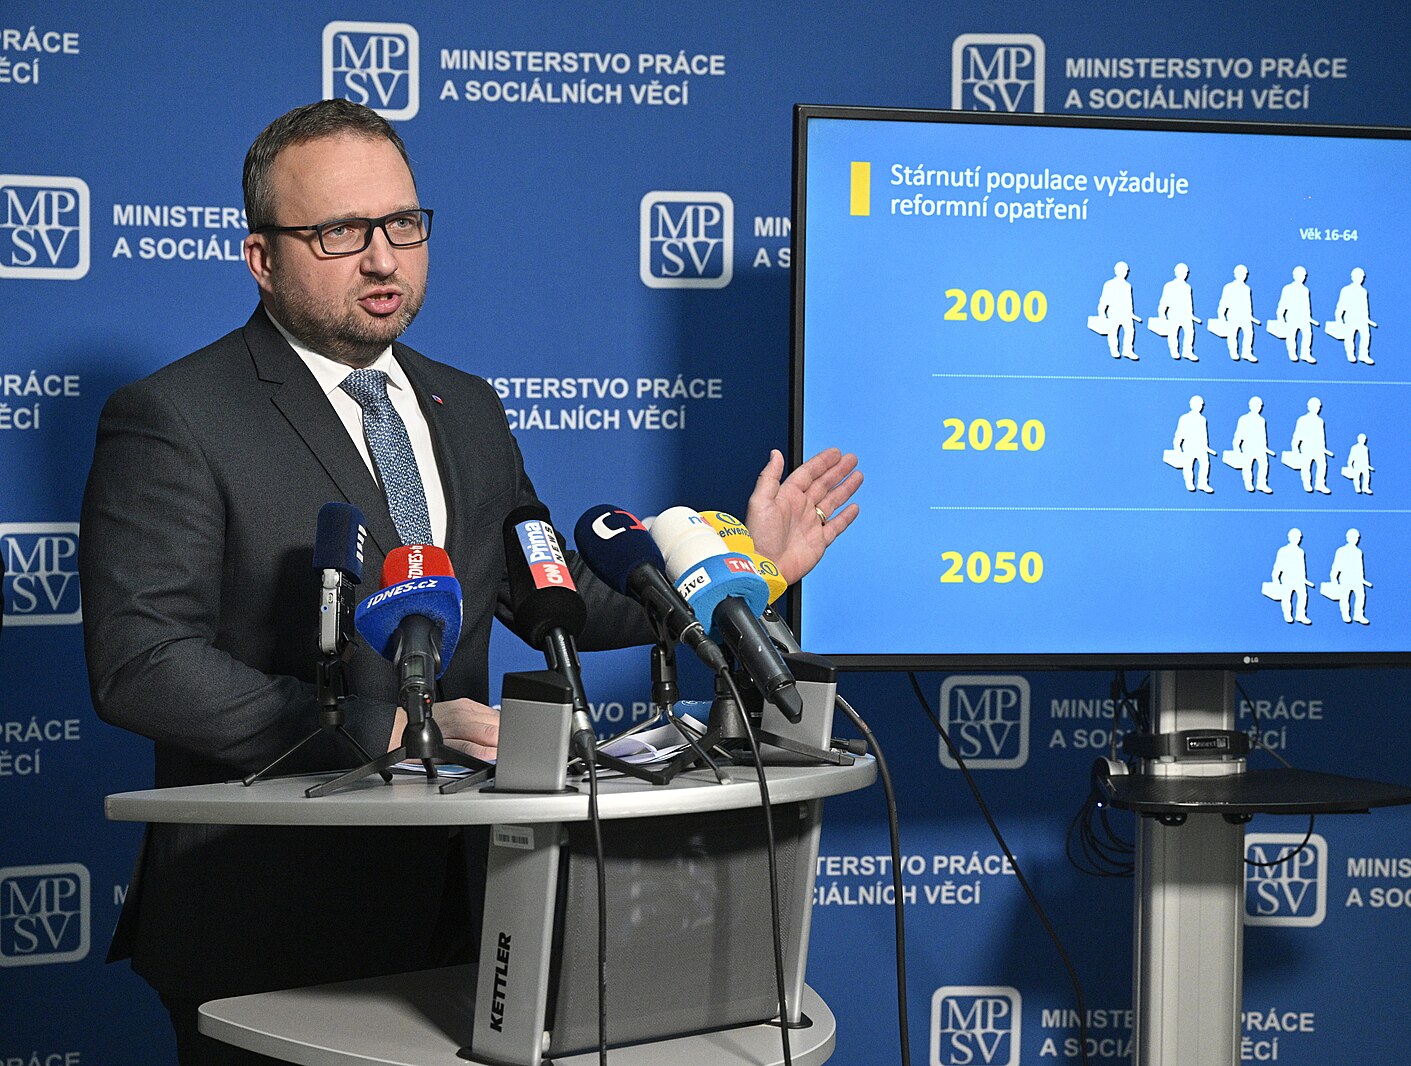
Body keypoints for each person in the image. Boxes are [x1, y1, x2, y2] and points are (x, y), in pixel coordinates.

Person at [79, 100, 862, 1065]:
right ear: (262, 257)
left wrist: (751, 572)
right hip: (272, 928)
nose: (382, 258)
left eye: (403, 224)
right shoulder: (176, 416)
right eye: (340, 231)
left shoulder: (469, 407)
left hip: (472, 914)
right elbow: (143, 664)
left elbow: (555, 594)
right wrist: (395, 733)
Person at [1287, 397, 1332, 494]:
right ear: (1309, 407)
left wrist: (1323, 448)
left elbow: (1321, 436)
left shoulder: (1320, 421)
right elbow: (1297, 435)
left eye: (1318, 406)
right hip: (1307, 447)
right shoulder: (1302, 420)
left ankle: (1320, 484)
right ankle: (1307, 483)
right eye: (1314, 406)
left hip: (1318, 449)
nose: (1317, 408)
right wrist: (1295, 448)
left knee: (1322, 465)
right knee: (1306, 466)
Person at [1096, 260, 1139, 360]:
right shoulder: (1109, 284)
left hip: (1126, 314)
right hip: (1114, 313)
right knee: (1113, 331)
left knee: (1130, 331)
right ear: (1116, 271)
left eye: (1125, 271)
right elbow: (1104, 299)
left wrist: (1131, 313)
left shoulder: (1127, 286)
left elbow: (1129, 301)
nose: (1124, 273)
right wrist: (1101, 312)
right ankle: (1114, 350)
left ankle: (1128, 350)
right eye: (1122, 270)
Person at [1327, 528, 1371, 624]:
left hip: (1357, 580)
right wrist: (1333, 577)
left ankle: (1358, 615)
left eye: (1356, 537)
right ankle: (1345, 614)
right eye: (1352, 537)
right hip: (1345, 578)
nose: (1355, 539)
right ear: (1347, 538)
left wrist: (1362, 579)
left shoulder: (1358, 552)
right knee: (1344, 597)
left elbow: (1360, 567)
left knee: (1361, 596)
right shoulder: (1341, 551)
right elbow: (1336, 565)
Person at [1170, 394, 1214, 493]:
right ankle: (1189, 483)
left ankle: (1203, 483)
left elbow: (1204, 434)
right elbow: (1179, 433)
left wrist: (1206, 446)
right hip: (1189, 446)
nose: (1199, 407)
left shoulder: (1202, 419)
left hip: (1201, 448)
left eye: (1201, 405)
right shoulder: (1184, 418)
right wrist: (1177, 446)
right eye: (1197, 404)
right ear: (1191, 405)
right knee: (1188, 465)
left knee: (1205, 464)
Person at [1269, 528, 1312, 624]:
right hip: (1287, 578)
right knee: (1286, 597)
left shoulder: (1300, 551)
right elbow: (1278, 565)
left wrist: (1304, 579)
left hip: (1299, 580)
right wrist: (1275, 578)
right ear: (1289, 538)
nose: (1297, 539)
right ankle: (1287, 614)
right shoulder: (1283, 550)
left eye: (1298, 537)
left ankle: (1300, 615)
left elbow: (1302, 566)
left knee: (1303, 596)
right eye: (1294, 537)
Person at [1274, 266, 1317, 364]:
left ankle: (1305, 354)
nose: (1302, 277)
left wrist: (1309, 317)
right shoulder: (1288, 288)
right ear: (1294, 276)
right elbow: (1283, 303)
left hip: (1304, 318)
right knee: (1291, 335)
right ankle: (1292, 353)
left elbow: (1307, 305)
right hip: (1292, 317)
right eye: (1300, 275)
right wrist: (1280, 316)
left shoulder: (1305, 290)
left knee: (1308, 335)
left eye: (1303, 275)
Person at [1333, 267, 1375, 364]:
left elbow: (1365, 306)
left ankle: (1363, 355)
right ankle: (1350, 354)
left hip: (1362, 319)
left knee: (1366, 336)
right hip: (1350, 318)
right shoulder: (1346, 290)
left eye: (1362, 277)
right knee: (1349, 337)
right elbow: (1341, 304)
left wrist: (1367, 319)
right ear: (1353, 277)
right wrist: (1338, 317)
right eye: (1358, 276)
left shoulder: (1363, 291)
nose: (1360, 279)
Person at [1216, 264, 1258, 362]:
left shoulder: (1246, 288)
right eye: (1241, 273)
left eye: (1244, 274)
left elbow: (1248, 304)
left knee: (1249, 333)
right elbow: (1223, 302)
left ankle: (1247, 353)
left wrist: (1250, 316)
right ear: (1235, 274)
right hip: (1233, 316)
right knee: (1232, 334)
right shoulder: (1229, 287)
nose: (1243, 276)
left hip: (1245, 317)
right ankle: (1234, 352)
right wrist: (1221, 315)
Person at [1232, 396, 1273, 494]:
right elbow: (1238, 434)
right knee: (1247, 466)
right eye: (1255, 405)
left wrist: (1265, 448)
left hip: (1260, 448)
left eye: (1259, 406)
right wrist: (1236, 447)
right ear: (1250, 406)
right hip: (1248, 447)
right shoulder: (1244, 419)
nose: (1258, 407)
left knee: (1264, 465)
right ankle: (1248, 483)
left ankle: (1261, 484)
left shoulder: (1261, 420)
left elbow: (1263, 435)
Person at [1157, 262, 1198, 361]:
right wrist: (1162, 313)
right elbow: (1164, 301)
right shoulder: (1169, 285)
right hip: (1174, 314)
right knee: (1173, 333)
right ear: (1176, 272)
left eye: (1185, 272)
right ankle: (1174, 351)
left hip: (1186, 316)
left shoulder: (1187, 287)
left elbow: (1189, 302)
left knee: (1190, 332)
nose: (1184, 274)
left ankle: (1187, 351)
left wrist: (1191, 314)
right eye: (1182, 272)